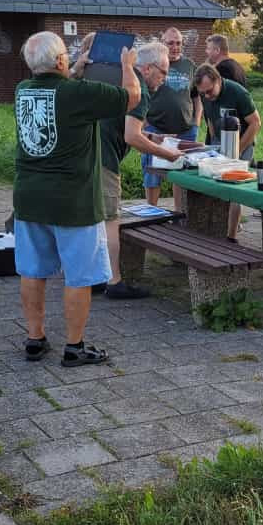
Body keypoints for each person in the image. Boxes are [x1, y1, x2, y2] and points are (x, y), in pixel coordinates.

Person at [12, 31, 140, 367]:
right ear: (59, 60)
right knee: (79, 276)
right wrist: (128, 65)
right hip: (74, 202)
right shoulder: (78, 94)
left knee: (32, 271)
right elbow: (132, 97)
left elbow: (55, 92)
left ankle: (35, 339)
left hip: (29, 198)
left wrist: (75, 69)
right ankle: (74, 346)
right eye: (65, 57)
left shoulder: (22, 90)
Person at [97, 39, 184, 297]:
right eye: (163, 72)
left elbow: (125, 126)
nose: (164, 79)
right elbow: (131, 137)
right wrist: (167, 154)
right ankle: (114, 282)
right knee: (110, 220)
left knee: (92, 220)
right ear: (147, 69)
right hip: (104, 160)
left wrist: (151, 136)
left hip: (84, 155)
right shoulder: (141, 91)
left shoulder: (120, 79)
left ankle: (93, 277)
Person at [193, 63, 262, 240]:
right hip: (219, 141)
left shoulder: (237, 92)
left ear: (218, 80)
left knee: (234, 190)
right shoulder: (205, 94)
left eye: (209, 91)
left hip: (242, 141)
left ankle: (231, 236)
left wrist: (237, 150)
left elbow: (256, 123)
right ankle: (213, 231)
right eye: (203, 93)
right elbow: (209, 119)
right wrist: (212, 145)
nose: (207, 96)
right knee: (214, 183)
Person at [141, 26, 201, 208]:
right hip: (156, 128)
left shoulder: (189, 65)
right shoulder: (154, 65)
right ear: (163, 43)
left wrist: (196, 122)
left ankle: (179, 214)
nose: (175, 47)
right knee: (152, 173)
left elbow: (197, 97)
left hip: (185, 130)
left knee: (181, 174)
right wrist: (144, 125)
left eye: (178, 43)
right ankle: (152, 212)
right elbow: (142, 94)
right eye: (170, 43)